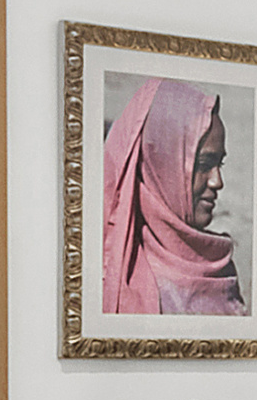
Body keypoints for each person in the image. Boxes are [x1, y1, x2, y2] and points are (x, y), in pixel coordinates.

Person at [99, 78, 245, 317]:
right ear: (160, 166)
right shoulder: (113, 276)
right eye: (203, 164)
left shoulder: (218, 268)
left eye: (219, 164)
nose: (217, 182)